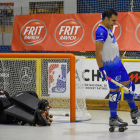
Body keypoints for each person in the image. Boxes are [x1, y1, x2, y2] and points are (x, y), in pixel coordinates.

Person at [95, 8, 140, 128]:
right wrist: (101, 69)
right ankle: (113, 118)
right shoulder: (101, 31)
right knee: (114, 94)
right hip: (112, 68)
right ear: (106, 18)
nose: (115, 23)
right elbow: (98, 52)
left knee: (128, 87)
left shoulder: (108, 29)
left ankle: (134, 111)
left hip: (119, 65)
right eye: (113, 20)